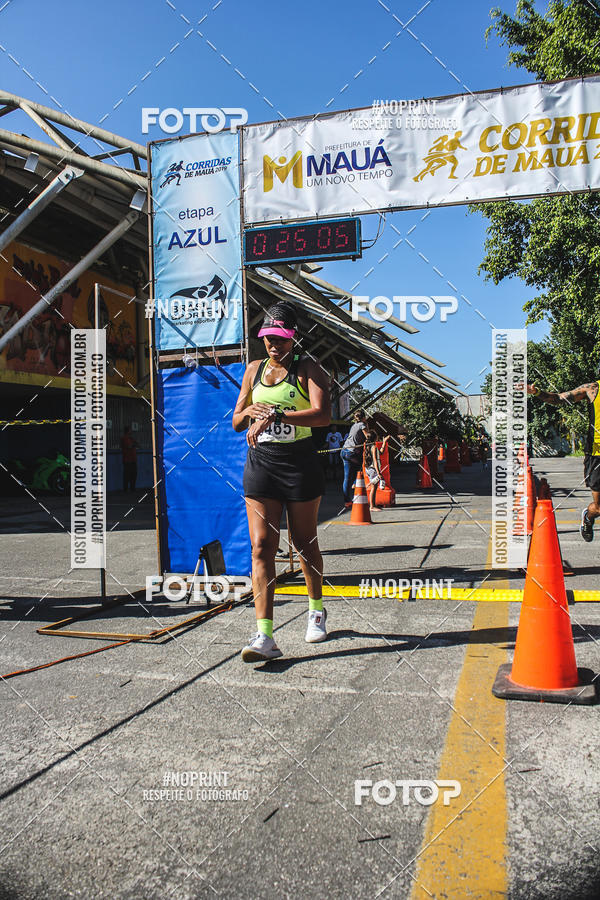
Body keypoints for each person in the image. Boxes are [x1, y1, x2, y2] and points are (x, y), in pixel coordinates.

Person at [232, 302, 331, 662]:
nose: (274, 344)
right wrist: (250, 413)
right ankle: (264, 636)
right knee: (261, 547)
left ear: (294, 338)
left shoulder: (309, 368)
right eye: (269, 338)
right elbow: (236, 419)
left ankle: (317, 610)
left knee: (304, 542)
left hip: (299, 463)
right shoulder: (254, 369)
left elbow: (323, 416)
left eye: (281, 338)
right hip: (261, 464)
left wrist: (275, 414)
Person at [527, 378, 600, 542]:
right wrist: (537, 392)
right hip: (596, 455)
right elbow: (559, 399)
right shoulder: (592, 388)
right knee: (599, 506)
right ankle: (588, 517)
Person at [341, 409, 367, 508]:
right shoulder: (362, 425)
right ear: (364, 417)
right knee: (362, 465)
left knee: (347, 477)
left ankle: (347, 501)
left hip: (344, 451)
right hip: (351, 453)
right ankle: (356, 483)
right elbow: (368, 436)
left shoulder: (354, 425)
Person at [363, 430, 390, 510]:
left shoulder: (369, 446)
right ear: (375, 438)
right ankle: (372, 506)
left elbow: (380, 452)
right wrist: (378, 472)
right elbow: (375, 460)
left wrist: (384, 442)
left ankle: (373, 505)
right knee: (373, 488)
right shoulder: (373, 447)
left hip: (369, 468)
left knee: (374, 487)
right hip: (373, 469)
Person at [120, 425, 138, 491]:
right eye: (130, 430)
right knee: (127, 475)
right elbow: (129, 446)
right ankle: (126, 489)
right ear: (127, 431)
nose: (131, 431)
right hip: (127, 460)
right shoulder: (124, 438)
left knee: (133, 475)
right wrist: (134, 444)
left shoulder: (131, 438)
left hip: (133, 459)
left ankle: (132, 488)